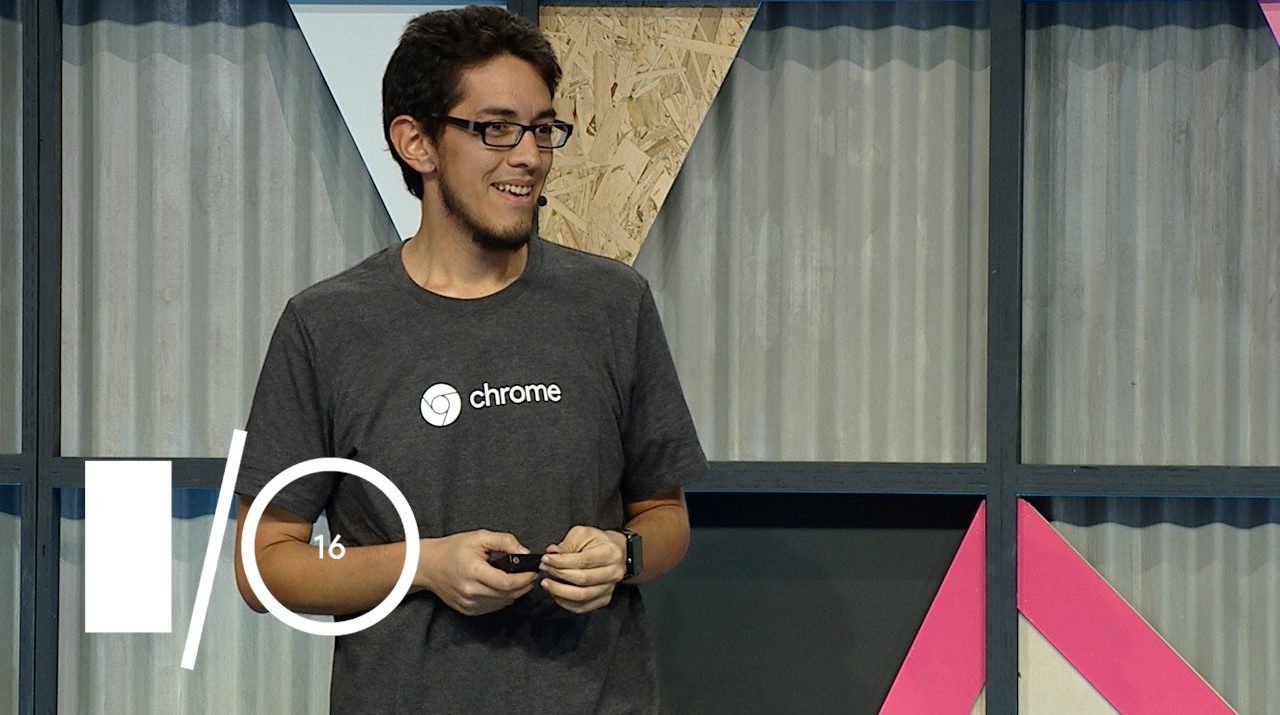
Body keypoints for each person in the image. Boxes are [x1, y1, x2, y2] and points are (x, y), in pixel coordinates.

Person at [231, 6, 707, 713]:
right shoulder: (327, 326)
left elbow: (665, 516)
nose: (529, 156)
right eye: (496, 129)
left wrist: (624, 553)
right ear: (416, 142)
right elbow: (263, 562)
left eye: (542, 129)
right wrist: (424, 565)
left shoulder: (613, 304)